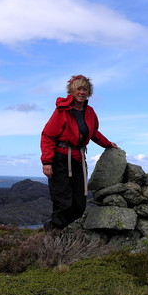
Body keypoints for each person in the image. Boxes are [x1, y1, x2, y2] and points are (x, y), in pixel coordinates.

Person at [40, 75, 118, 231]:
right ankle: (53, 234)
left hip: (78, 160)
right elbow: (47, 136)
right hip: (60, 159)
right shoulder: (62, 111)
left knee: (79, 204)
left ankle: (64, 232)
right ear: (72, 91)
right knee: (63, 202)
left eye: (85, 89)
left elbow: (93, 132)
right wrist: (47, 162)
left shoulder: (89, 111)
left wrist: (107, 144)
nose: (82, 92)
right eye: (79, 89)